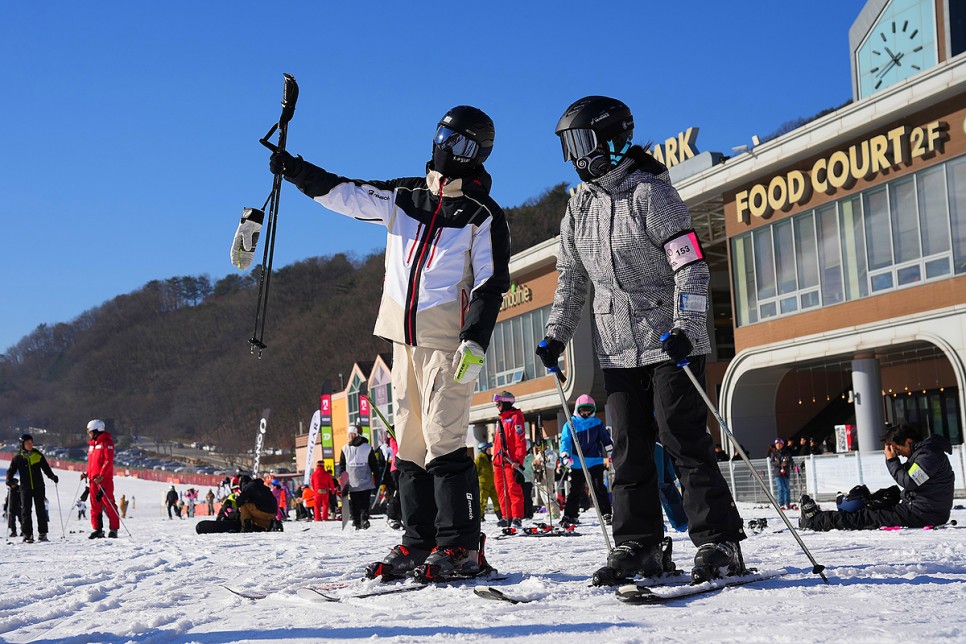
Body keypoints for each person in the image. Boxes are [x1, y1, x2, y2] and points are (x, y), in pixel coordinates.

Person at [257, 104, 509, 581]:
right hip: (403, 339)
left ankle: (461, 546)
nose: (444, 147)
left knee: (443, 435)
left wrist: (475, 339)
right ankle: (420, 541)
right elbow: (346, 193)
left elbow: (491, 283)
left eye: (457, 142)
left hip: (450, 343)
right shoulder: (406, 197)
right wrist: (295, 170)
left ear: (477, 153)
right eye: (442, 135)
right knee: (410, 439)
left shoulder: (482, 215)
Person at [536, 96, 746, 583]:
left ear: (610, 140)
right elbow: (571, 280)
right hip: (616, 346)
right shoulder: (578, 208)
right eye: (569, 146)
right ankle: (640, 545)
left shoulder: (652, 194)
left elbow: (691, 267)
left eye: (581, 142)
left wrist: (687, 329)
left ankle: (719, 541)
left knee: (682, 439)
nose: (575, 156)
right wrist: (555, 336)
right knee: (627, 447)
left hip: (670, 341)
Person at [801, 424, 955, 531]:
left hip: (924, 513)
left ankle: (815, 520)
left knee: (866, 516)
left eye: (897, 448)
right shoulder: (924, 454)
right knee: (873, 505)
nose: (897, 453)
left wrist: (891, 460)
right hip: (923, 510)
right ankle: (822, 517)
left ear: (908, 441)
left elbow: (909, 481)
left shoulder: (928, 456)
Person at [559, 394, 614, 527]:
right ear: (577, 409)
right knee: (576, 488)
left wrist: (611, 451)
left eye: (588, 410)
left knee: (598, 486)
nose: (586, 413)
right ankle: (570, 514)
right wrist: (565, 455)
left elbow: (605, 438)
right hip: (578, 460)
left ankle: (606, 512)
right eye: (583, 410)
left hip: (595, 459)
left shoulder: (597, 422)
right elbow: (565, 440)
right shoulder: (571, 423)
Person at [5, 434, 58, 543]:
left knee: (41, 510)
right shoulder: (18, 458)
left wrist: (52, 476)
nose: (30, 444)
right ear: (22, 444)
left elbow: (46, 469)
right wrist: (9, 481)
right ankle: (28, 535)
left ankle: (43, 534)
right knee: (25, 511)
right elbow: (10, 472)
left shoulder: (38, 455)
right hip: (25, 488)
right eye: (27, 443)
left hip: (39, 487)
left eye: (31, 442)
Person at [492, 391, 527, 529]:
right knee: (501, 490)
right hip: (498, 461)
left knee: (514, 489)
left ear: (506, 403)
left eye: (498, 404)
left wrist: (518, 460)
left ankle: (517, 517)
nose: (497, 407)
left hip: (511, 462)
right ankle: (506, 516)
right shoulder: (500, 420)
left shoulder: (515, 417)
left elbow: (520, 441)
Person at [83, 419, 120, 539]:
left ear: (96, 431)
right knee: (95, 506)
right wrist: (86, 474)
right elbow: (92, 464)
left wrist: (102, 475)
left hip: (104, 480)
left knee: (109, 504)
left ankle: (113, 529)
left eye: (90, 431)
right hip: (93, 481)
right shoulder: (92, 445)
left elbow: (108, 461)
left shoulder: (106, 443)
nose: (89, 434)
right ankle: (97, 529)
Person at [339, 426, 379, 530]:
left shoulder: (367, 448)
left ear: (357, 435)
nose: (351, 437)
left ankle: (364, 520)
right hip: (352, 481)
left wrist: (377, 477)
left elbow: (374, 464)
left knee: (365, 502)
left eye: (353, 434)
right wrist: (343, 479)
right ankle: (356, 521)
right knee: (355, 502)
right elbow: (342, 465)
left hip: (365, 480)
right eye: (349, 435)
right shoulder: (345, 449)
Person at [474, 443, 501, 523]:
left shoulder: (489, 458)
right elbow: (475, 469)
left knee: (496, 500)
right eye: (488, 449)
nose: (490, 451)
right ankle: (480, 516)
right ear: (483, 449)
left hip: (491, 482)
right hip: (483, 483)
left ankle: (500, 516)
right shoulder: (480, 457)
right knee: (483, 501)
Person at [769, 439, 794, 509]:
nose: (778, 445)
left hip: (786, 473)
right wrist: (780, 463)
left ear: (782, 445)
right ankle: (781, 504)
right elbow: (772, 462)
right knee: (780, 488)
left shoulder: (787, 453)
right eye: (776, 444)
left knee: (787, 488)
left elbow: (791, 461)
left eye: (779, 444)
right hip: (778, 473)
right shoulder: (774, 453)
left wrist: (786, 463)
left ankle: (788, 503)